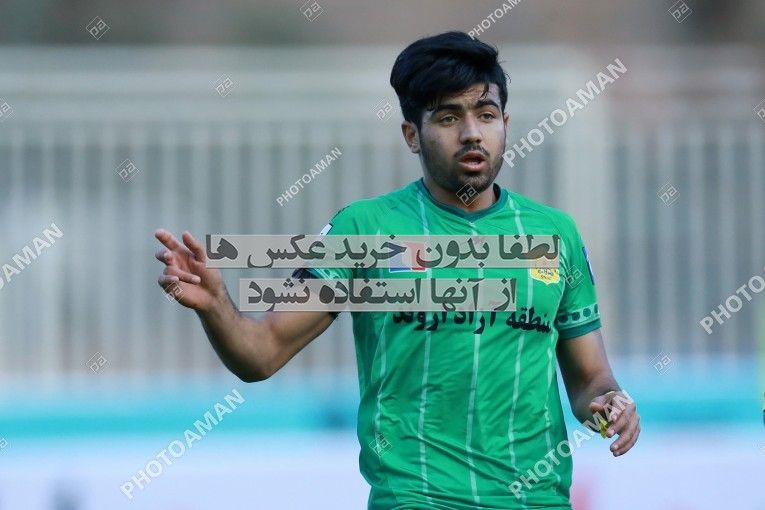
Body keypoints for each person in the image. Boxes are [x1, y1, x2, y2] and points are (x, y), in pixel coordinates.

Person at [154, 30, 640, 510]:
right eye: (448, 117)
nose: (472, 133)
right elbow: (262, 353)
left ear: (505, 124)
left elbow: (590, 380)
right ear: (412, 135)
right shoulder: (364, 230)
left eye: (486, 115)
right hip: (416, 499)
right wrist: (216, 305)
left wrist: (609, 405)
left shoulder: (555, 236)